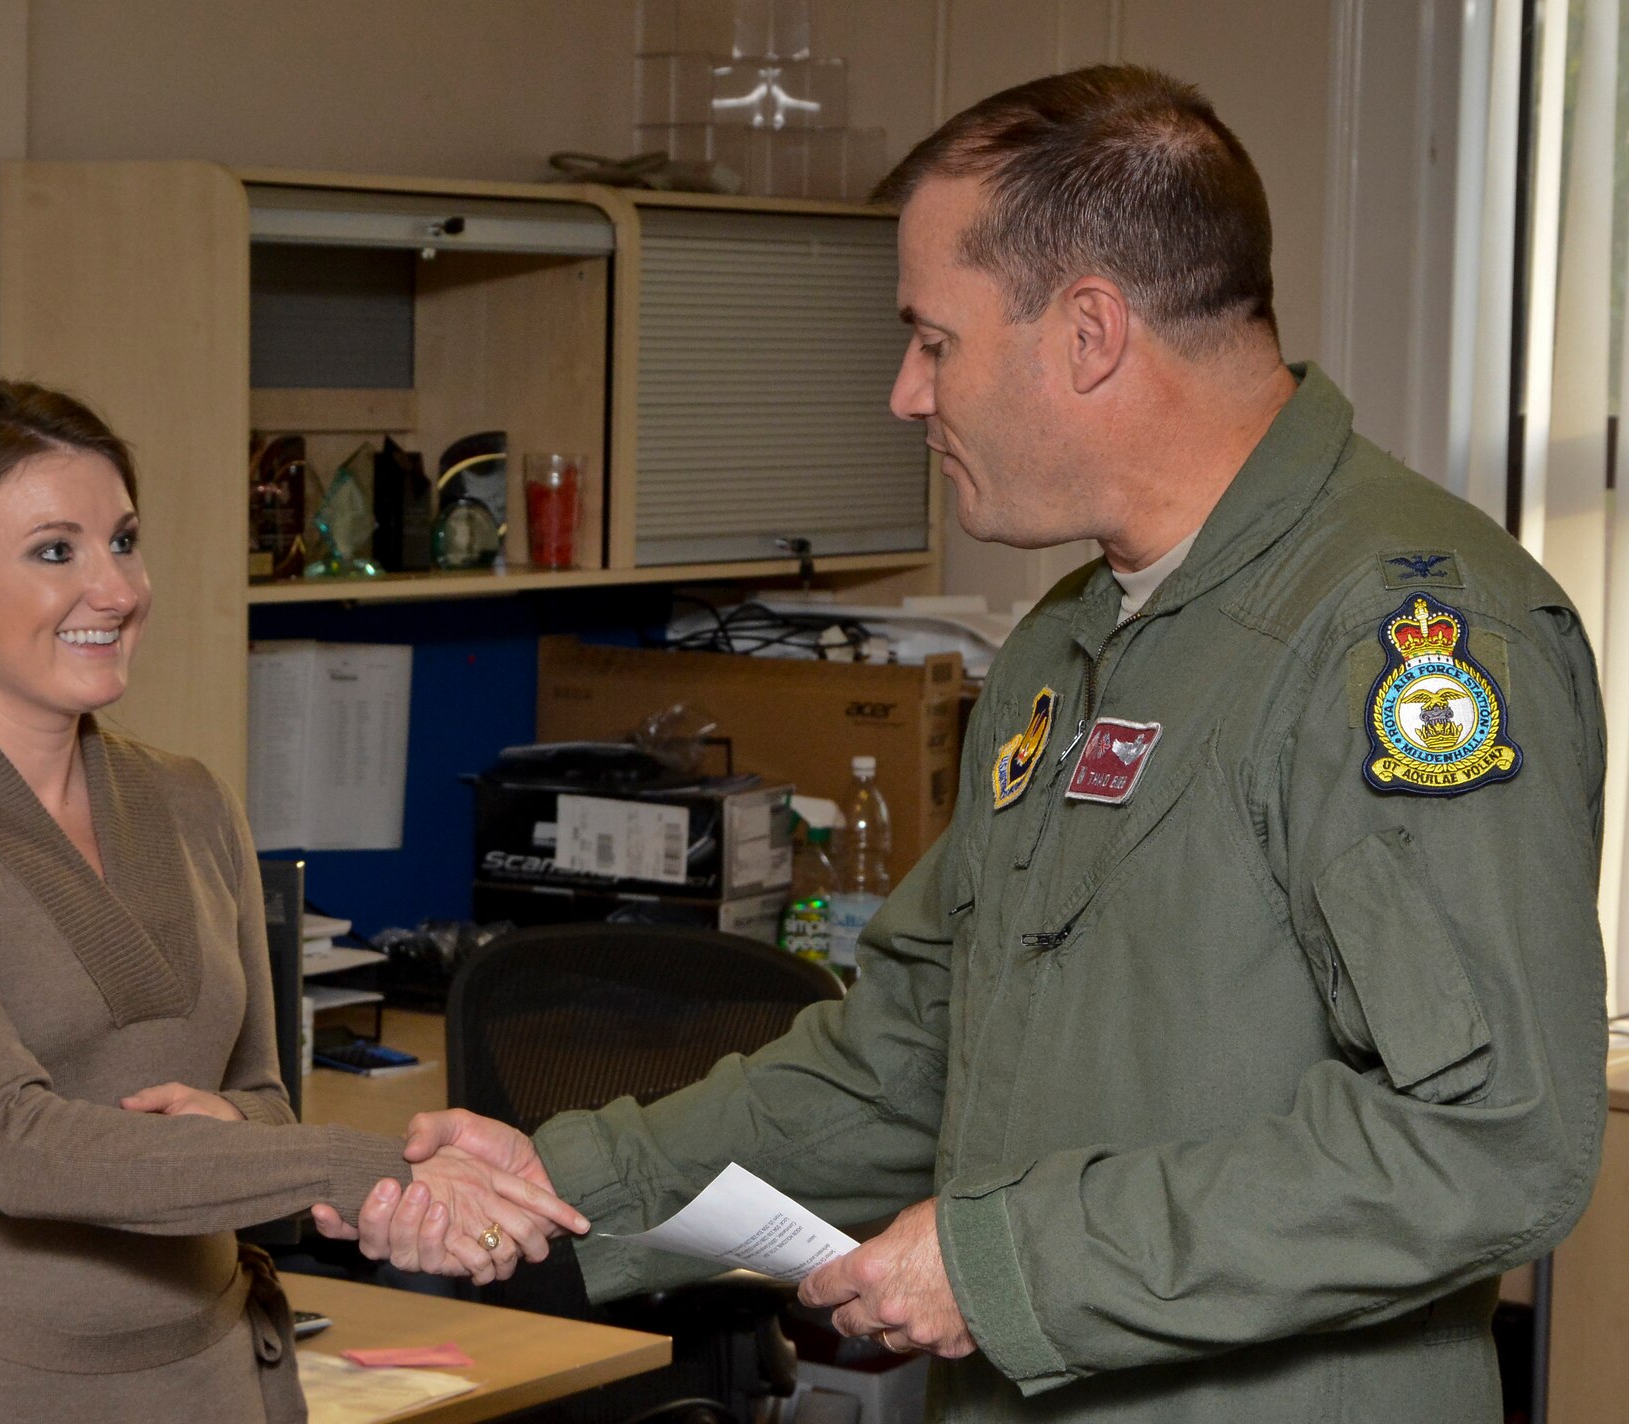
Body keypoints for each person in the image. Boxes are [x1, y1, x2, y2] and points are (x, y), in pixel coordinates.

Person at [324, 66, 1610, 1422]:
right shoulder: (1066, 646)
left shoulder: (1400, 639)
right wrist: (568, 1175)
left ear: (1091, 333)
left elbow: (1488, 1141)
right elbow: (908, 1057)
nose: (904, 392)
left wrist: (1010, 1261)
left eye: (934, 341)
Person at [0, 374, 583, 1423]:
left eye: (124, 539)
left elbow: (257, 1096)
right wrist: (375, 1165)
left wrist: (244, 1130)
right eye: (56, 549)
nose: (115, 588)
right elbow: (10, 1143)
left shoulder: (188, 798)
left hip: (202, 1376)